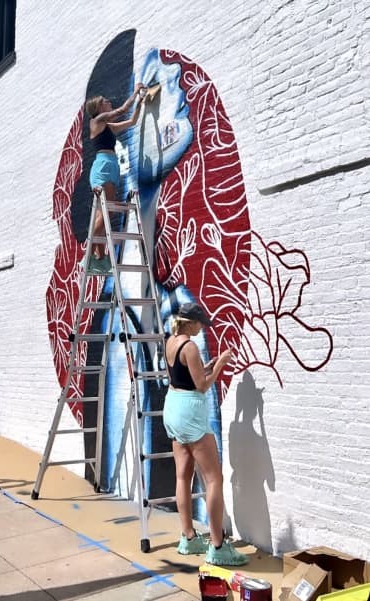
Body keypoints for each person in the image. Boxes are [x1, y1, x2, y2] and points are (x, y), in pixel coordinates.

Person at [163, 302, 248, 565]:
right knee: (214, 479)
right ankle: (218, 547)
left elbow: (184, 376)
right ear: (190, 322)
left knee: (183, 475)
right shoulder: (190, 346)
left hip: (173, 407)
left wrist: (206, 366)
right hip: (191, 411)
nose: (202, 327)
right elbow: (201, 386)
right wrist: (220, 364)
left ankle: (188, 537)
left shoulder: (171, 341)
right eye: (199, 323)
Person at [83, 82, 146, 273]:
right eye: (104, 101)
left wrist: (141, 102)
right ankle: (88, 253)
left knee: (107, 214)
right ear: (98, 108)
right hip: (102, 166)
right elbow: (122, 110)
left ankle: (99, 258)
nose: (108, 102)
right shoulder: (97, 120)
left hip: (111, 166)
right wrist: (136, 92)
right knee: (107, 214)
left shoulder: (107, 126)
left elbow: (131, 121)